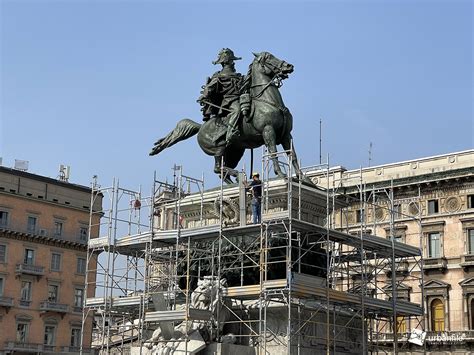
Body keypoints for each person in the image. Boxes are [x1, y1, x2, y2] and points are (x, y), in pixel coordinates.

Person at [197, 48, 244, 145]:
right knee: (237, 110)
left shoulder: (238, 76)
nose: (234, 63)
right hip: (229, 101)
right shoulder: (219, 76)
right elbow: (209, 88)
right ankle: (231, 132)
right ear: (226, 62)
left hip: (240, 99)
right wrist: (204, 96)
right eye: (232, 61)